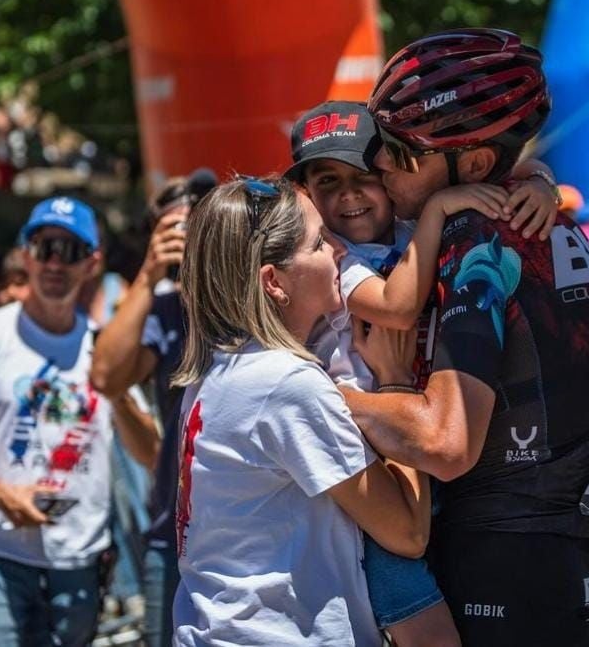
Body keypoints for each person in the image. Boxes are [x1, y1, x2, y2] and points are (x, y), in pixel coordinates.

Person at [338, 28, 589, 646]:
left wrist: (297, 395)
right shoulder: (547, 222)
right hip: (575, 554)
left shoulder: (474, 241)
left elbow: (448, 442)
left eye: (402, 149)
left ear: (471, 164)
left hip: (497, 568)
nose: (381, 163)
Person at [284, 99, 559, 646]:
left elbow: (503, 163)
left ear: (391, 173)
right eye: (328, 182)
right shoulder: (338, 257)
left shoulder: (406, 229)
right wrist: (437, 214)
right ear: (308, 195)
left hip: (423, 438)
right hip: (368, 458)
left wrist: (542, 184)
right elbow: (396, 306)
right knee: (414, 607)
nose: (349, 195)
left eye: (364, 176)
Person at [172, 177, 431, 646]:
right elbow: (408, 531)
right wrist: (397, 381)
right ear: (273, 282)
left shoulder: (217, 371)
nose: (338, 251)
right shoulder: (285, 383)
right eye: (318, 243)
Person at [0, 196, 158, 647]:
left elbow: (151, 454)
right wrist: (0, 494)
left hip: (80, 562)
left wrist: (116, 391)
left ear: (92, 263)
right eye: (43, 246)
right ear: (25, 254)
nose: (54, 262)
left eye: (70, 250)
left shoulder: (103, 348)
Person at [91, 169, 216, 647]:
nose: (184, 238)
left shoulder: (261, 300)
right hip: (174, 530)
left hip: (250, 528)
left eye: (194, 225)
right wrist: (149, 273)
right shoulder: (163, 311)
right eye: (171, 229)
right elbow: (105, 376)